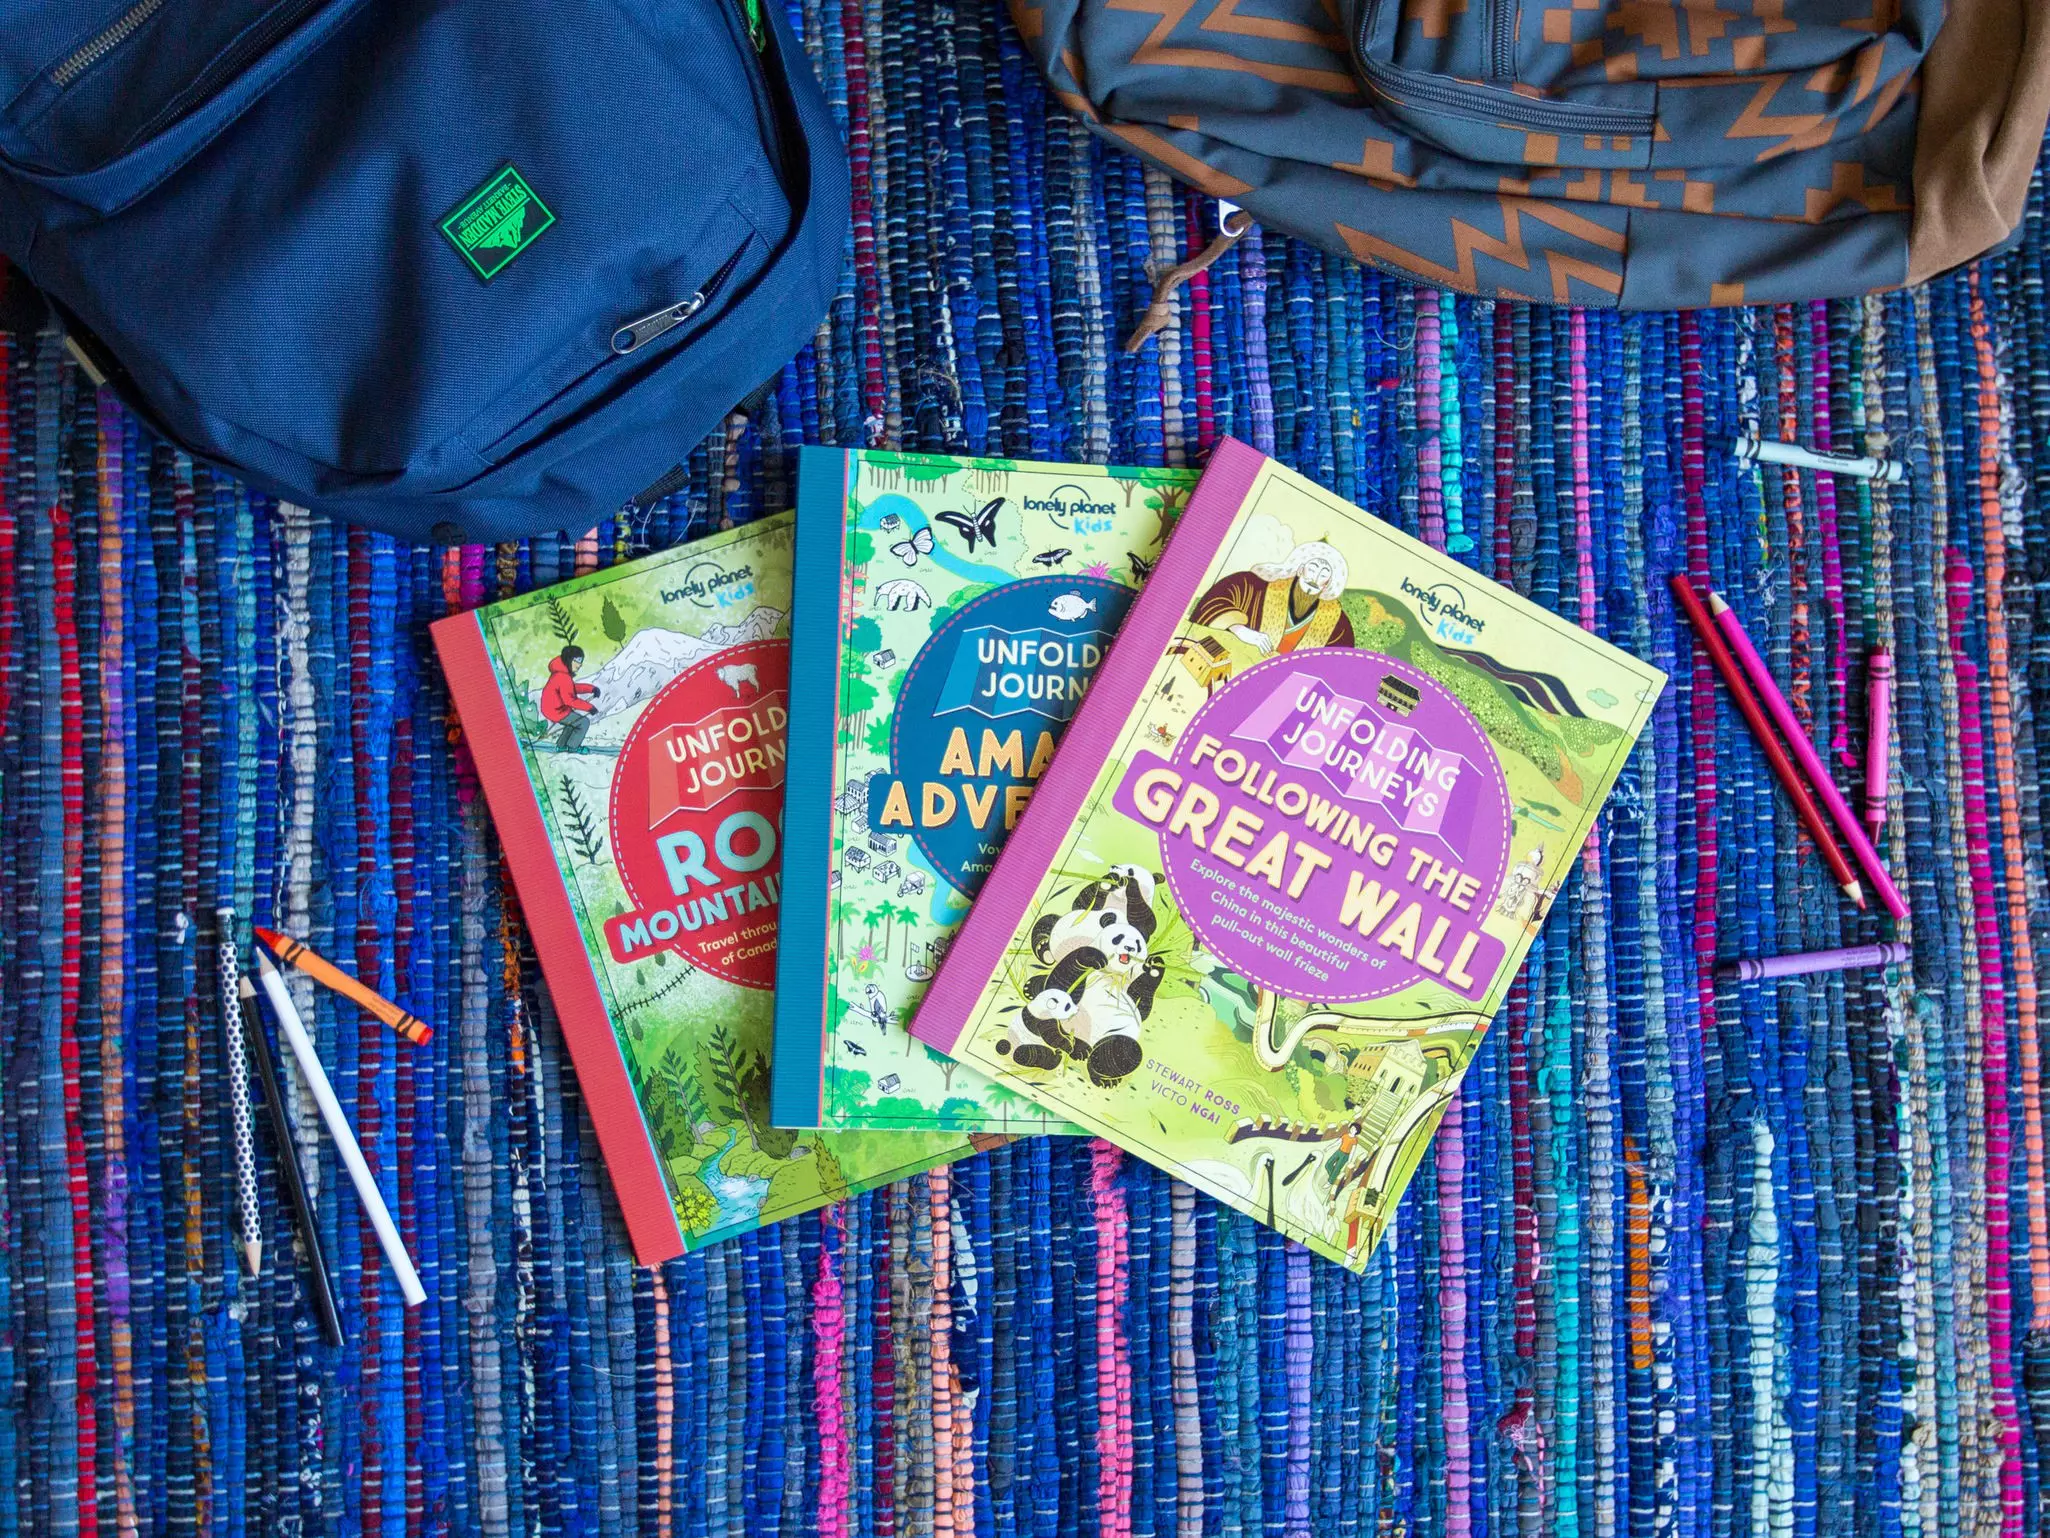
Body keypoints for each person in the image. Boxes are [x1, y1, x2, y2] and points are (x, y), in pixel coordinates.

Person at [1190, 539, 1355, 656]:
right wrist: (1240, 630)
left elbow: (1339, 665)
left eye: (1323, 575)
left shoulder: (1338, 624)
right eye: (1312, 569)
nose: (1314, 578)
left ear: (1327, 584)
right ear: (1300, 569)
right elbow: (1216, 599)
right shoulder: (1257, 586)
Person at [540, 645, 600, 750]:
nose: (580, 664)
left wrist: (591, 689)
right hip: (556, 710)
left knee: (572, 722)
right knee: (583, 722)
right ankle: (573, 747)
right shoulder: (563, 677)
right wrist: (589, 707)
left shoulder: (561, 674)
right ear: (569, 659)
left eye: (581, 661)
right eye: (577, 660)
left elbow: (571, 688)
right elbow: (570, 700)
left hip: (554, 708)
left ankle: (561, 745)